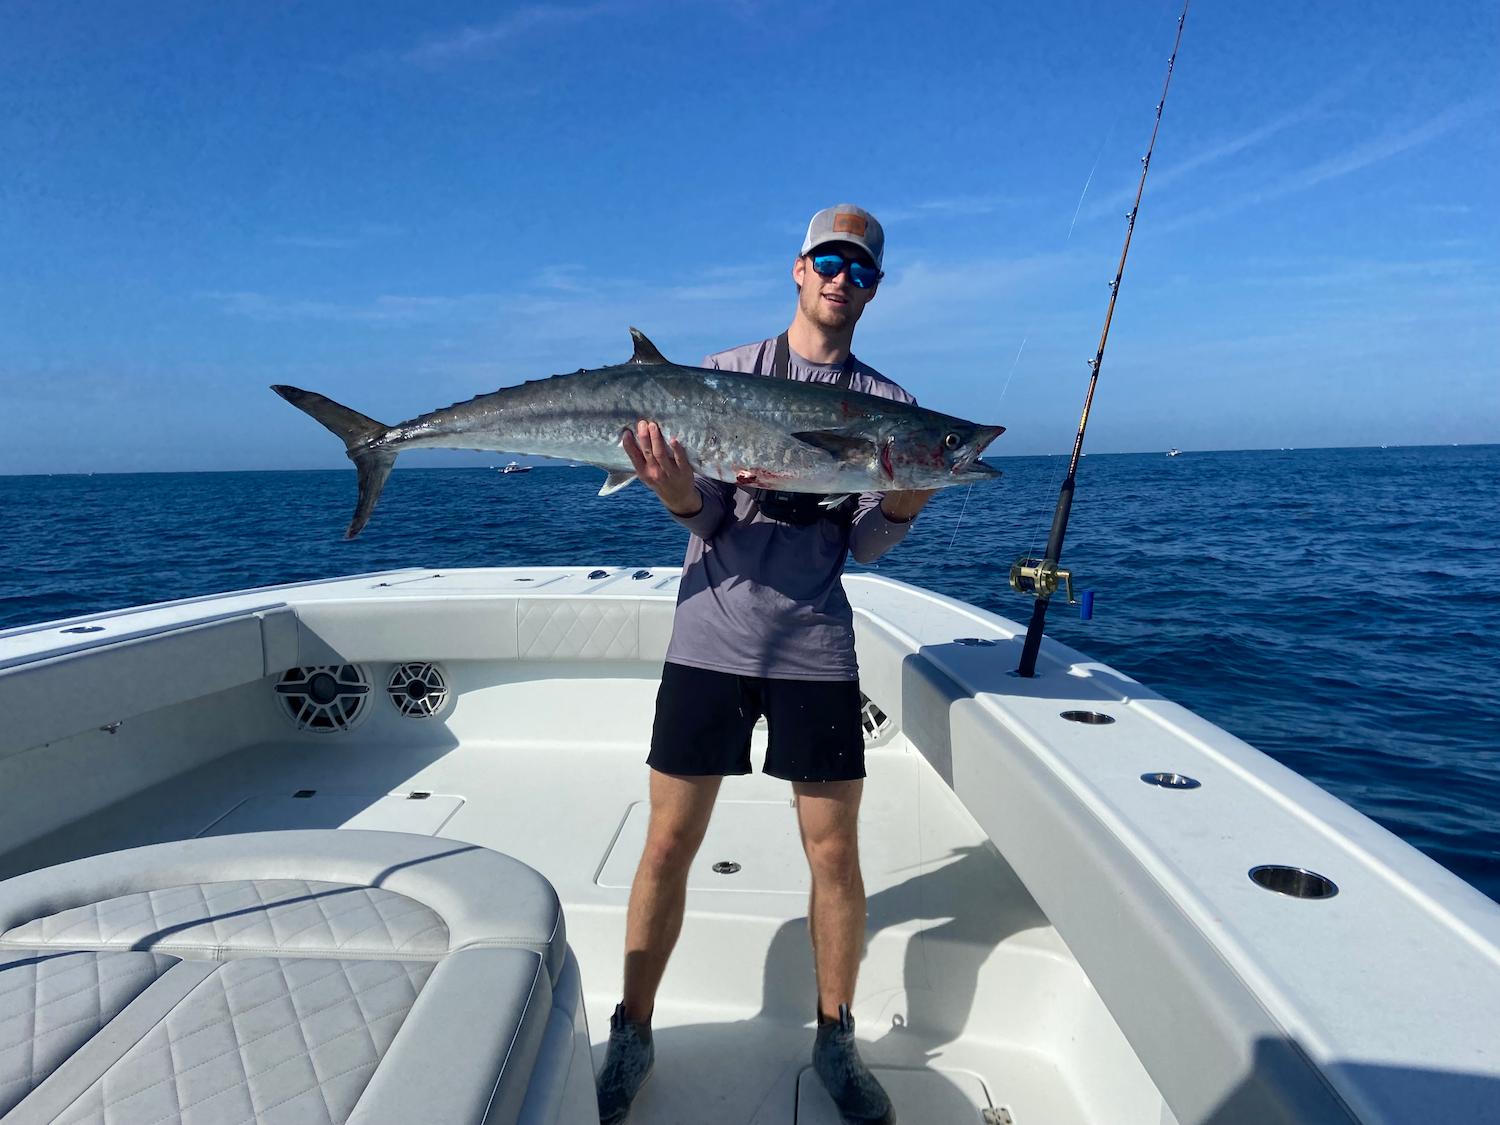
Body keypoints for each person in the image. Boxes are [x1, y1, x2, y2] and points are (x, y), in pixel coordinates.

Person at [597, 205, 933, 1125]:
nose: (842, 278)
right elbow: (710, 520)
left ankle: (836, 1037)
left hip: (814, 645)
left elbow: (862, 546)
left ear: (874, 288)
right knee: (669, 841)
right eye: (829, 260)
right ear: (798, 268)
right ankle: (632, 1029)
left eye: (861, 269)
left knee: (834, 852)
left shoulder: (889, 407)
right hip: (710, 635)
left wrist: (903, 503)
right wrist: (677, 495)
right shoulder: (725, 375)